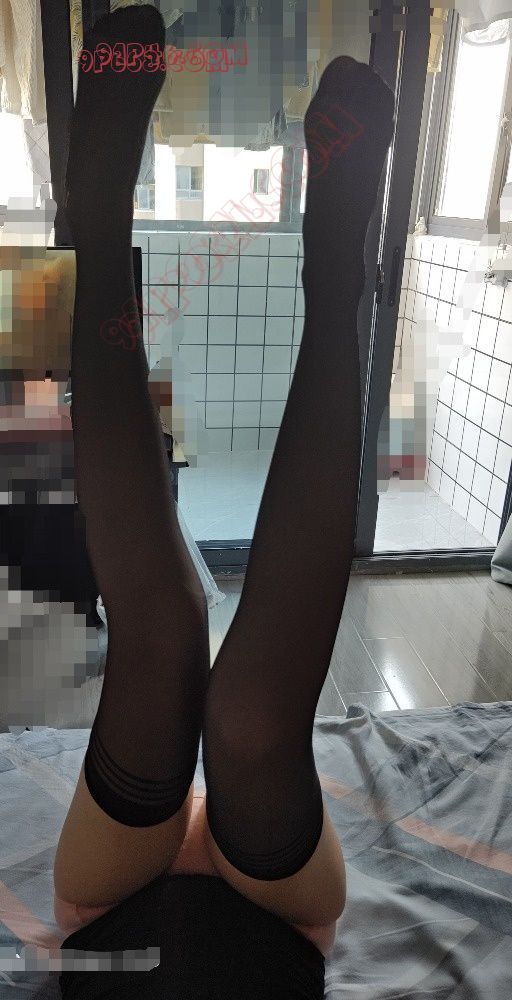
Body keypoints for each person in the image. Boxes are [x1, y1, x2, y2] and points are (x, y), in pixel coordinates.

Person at [52, 6, 395, 997]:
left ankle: (108, 218)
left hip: (120, 910)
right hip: (272, 923)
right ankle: (323, 262)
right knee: (224, 697)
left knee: (175, 650)